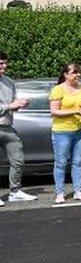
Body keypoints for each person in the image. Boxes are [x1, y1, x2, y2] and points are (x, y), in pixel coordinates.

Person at [49, 62, 81, 203]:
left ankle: (78, 191)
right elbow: (54, 111)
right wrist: (74, 110)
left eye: (79, 72)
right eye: (74, 72)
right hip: (62, 131)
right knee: (61, 162)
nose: (78, 75)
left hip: (79, 130)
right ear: (66, 75)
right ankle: (60, 193)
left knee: (78, 162)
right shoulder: (58, 89)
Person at [0, 50, 35, 205]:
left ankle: (15, 192)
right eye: (1, 63)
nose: (5, 65)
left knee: (18, 159)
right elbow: (8, 105)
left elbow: (11, 105)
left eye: (6, 62)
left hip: (7, 126)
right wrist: (11, 105)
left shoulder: (9, 81)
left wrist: (20, 104)